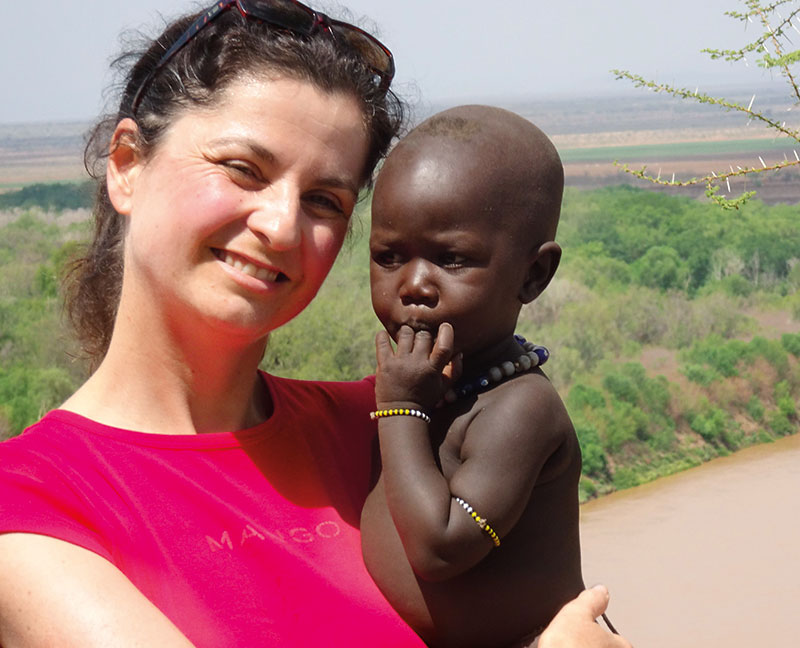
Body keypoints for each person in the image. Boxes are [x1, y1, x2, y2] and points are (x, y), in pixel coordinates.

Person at [0, 2, 634, 645]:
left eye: (324, 200)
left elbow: (549, 596)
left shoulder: (388, 421)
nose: (279, 226)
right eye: (243, 168)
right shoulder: (34, 505)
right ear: (128, 164)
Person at [360, 105, 588, 647]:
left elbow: (441, 548)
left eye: (452, 259)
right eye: (389, 256)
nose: (414, 284)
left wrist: (399, 410)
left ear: (533, 274)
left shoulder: (520, 408)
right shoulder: (437, 386)